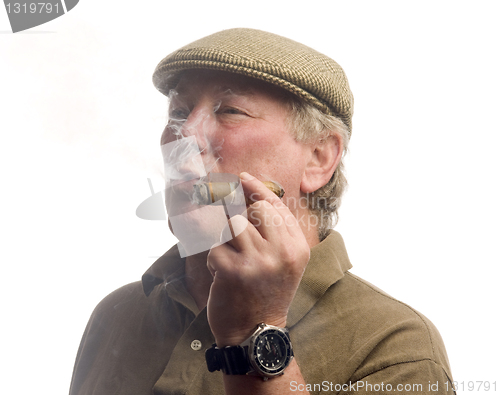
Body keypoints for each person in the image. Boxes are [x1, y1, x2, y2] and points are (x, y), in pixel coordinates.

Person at [69, 28, 455, 395]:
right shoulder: (117, 314)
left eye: (231, 110)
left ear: (319, 158)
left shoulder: (394, 345)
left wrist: (254, 333)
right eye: (178, 113)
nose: (184, 136)